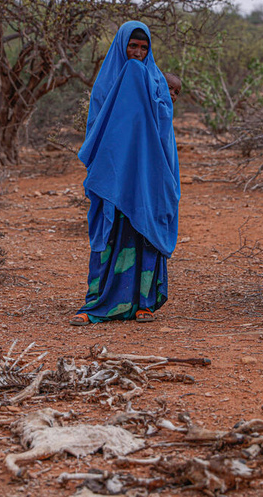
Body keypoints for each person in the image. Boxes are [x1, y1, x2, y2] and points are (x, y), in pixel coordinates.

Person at [70, 21, 180, 326]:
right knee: (110, 231)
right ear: (122, 46)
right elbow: (96, 128)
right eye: (133, 46)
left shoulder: (157, 82)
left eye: (144, 48)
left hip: (147, 176)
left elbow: (164, 132)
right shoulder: (106, 84)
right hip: (113, 174)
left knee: (143, 229)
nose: (138, 53)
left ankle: (144, 302)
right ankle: (97, 302)